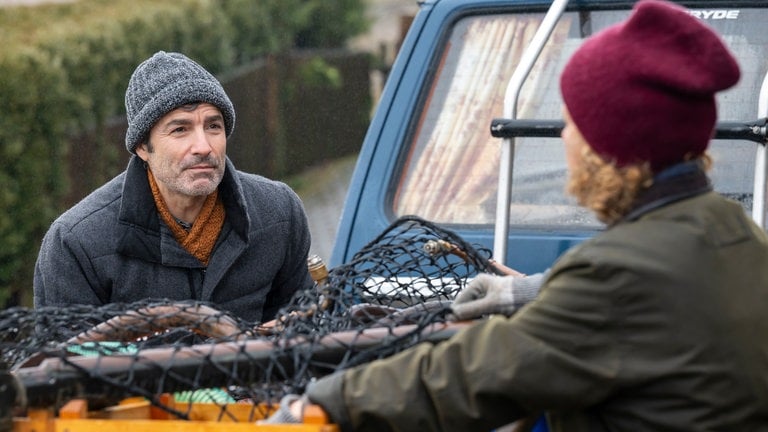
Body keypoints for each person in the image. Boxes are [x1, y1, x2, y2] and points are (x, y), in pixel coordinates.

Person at [262, 0, 768, 430]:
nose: (563, 138)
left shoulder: (621, 275)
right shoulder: (733, 231)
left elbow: (469, 375)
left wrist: (322, 402)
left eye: (572, 123)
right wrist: (525, 291)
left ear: (607, 146)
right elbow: (652, 296)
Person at [33, 51, 314, 323]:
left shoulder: (279, 213)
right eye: (180, 129)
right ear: (143, 147)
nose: (203, 147)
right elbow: (68, 359)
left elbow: (305, 326)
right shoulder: (75, 243)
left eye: (213, 126)